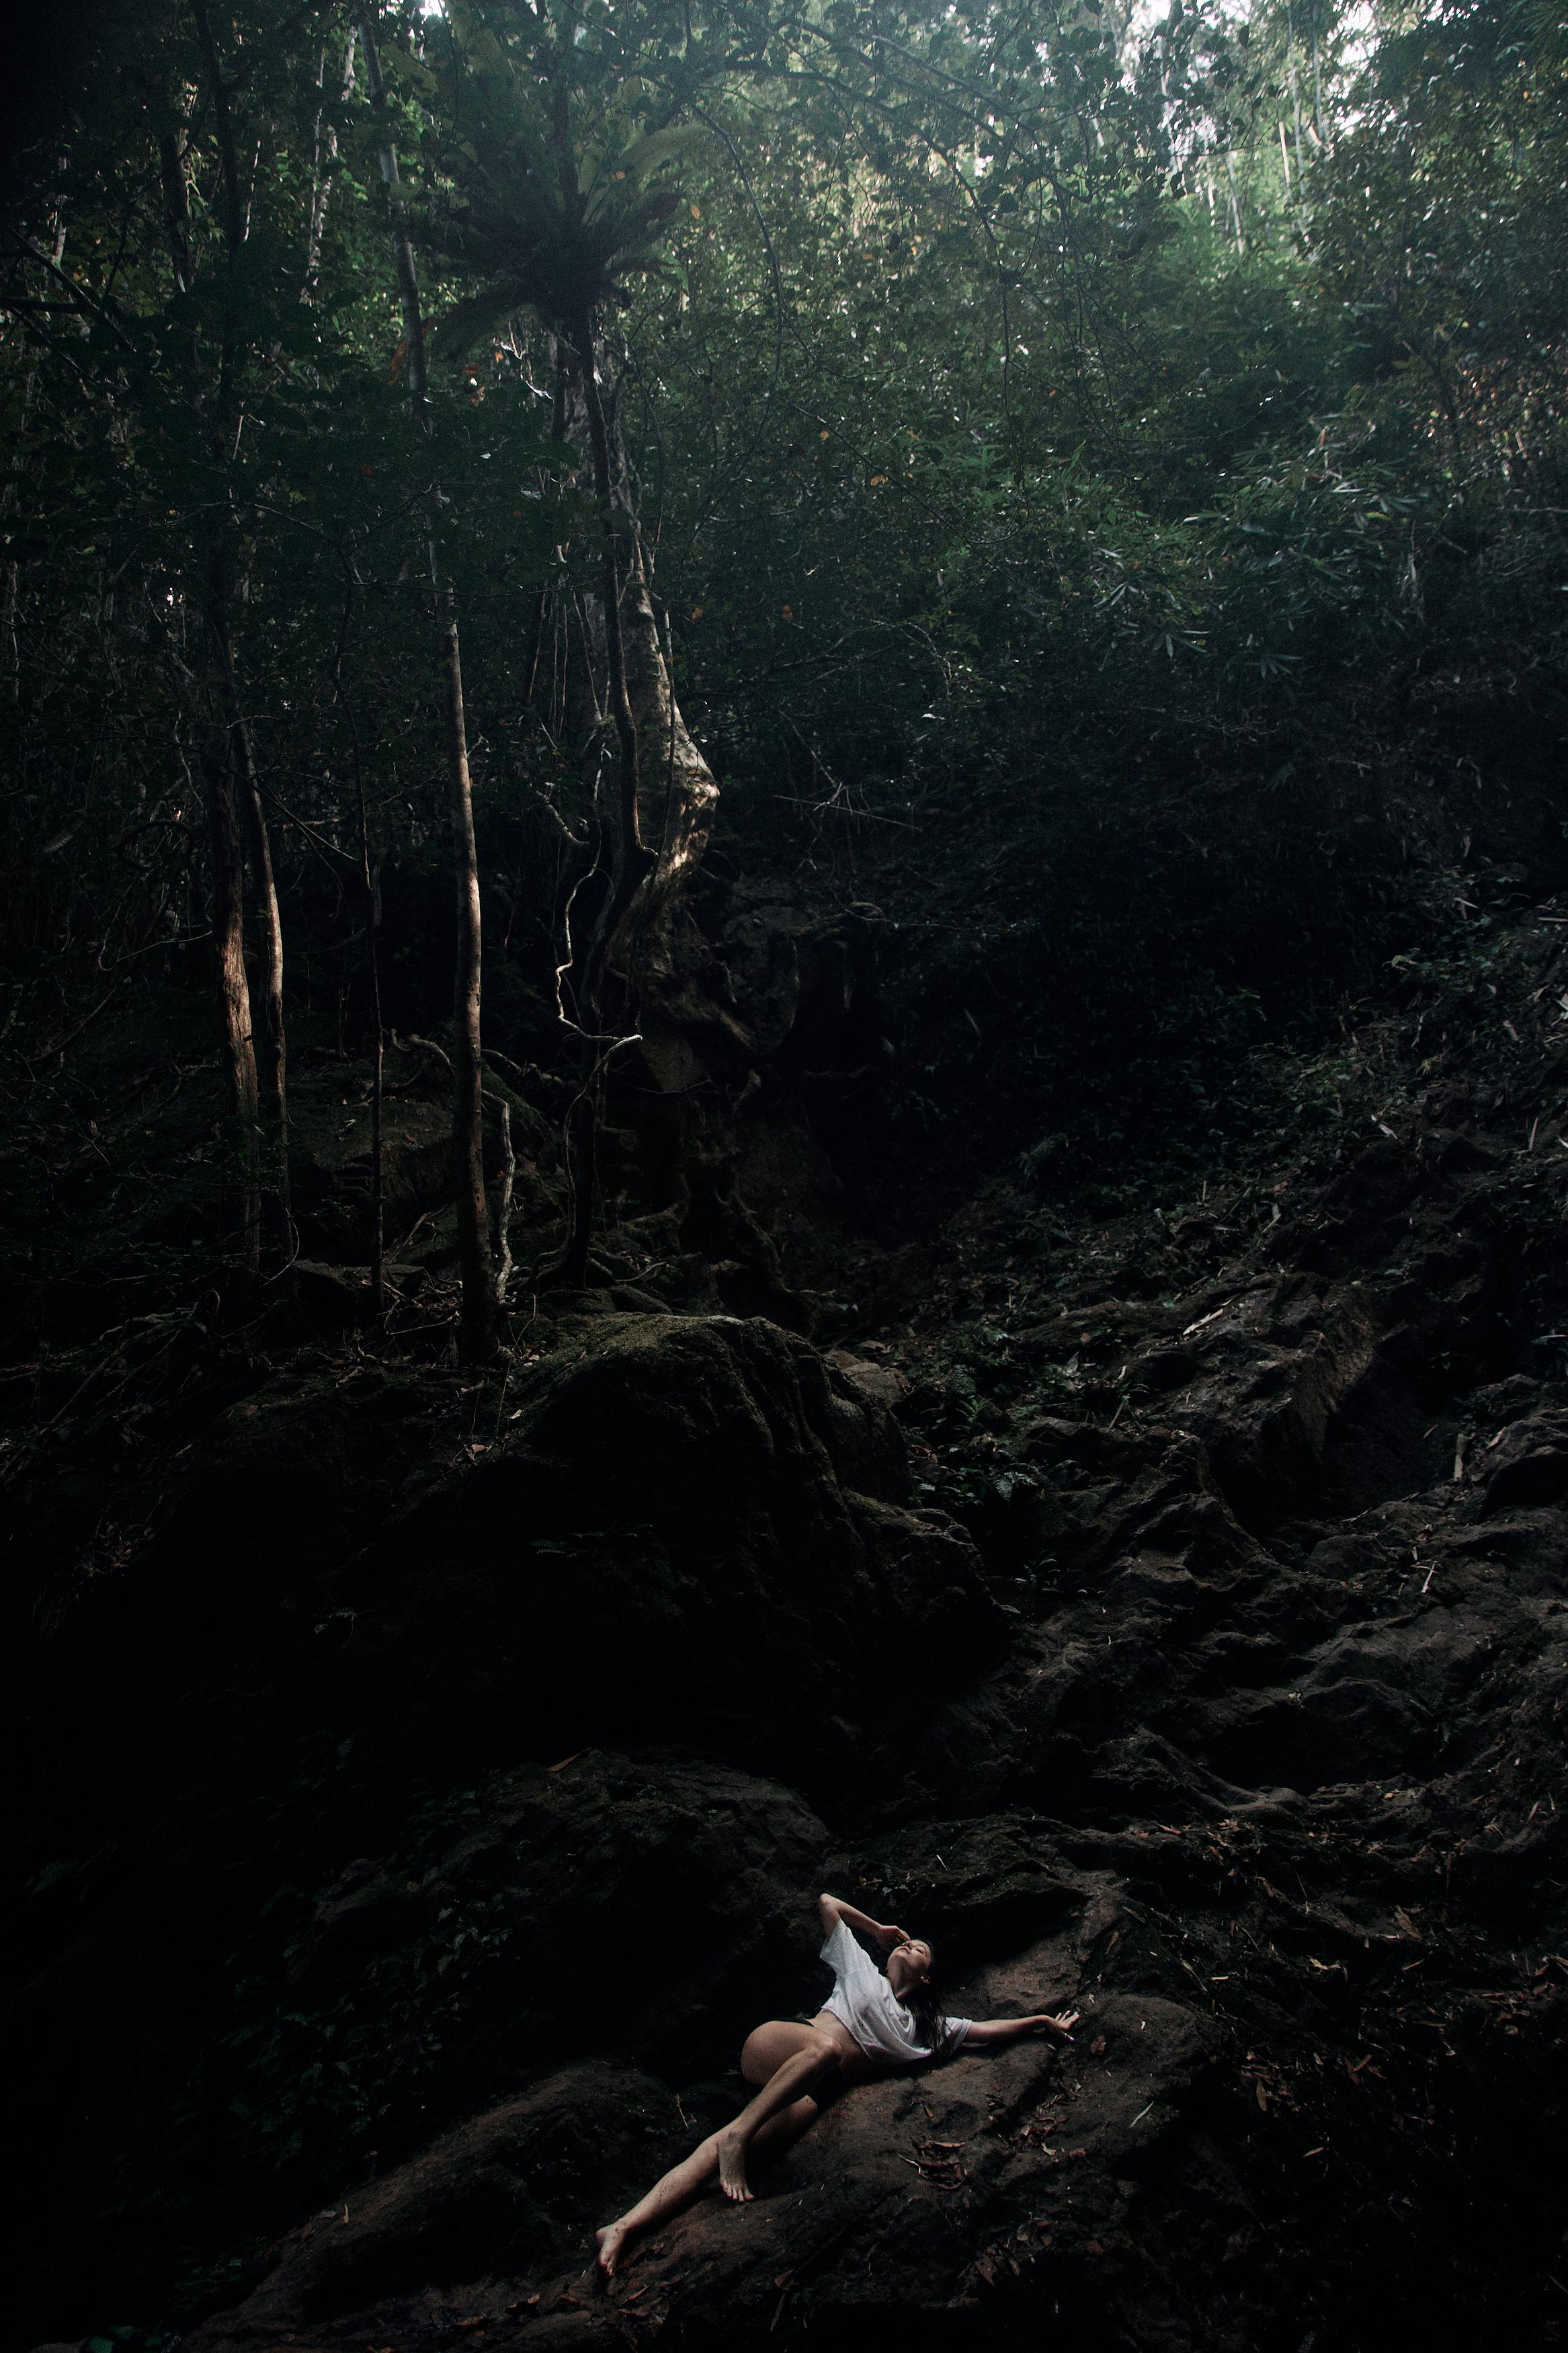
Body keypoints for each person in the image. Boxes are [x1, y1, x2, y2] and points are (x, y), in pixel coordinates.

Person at [594, 1889, 1081, 2278]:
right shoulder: (859, 1970)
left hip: (805, 2091)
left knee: (739, 2142)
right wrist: (877, 1928)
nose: (909, 1945)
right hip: (783, 2042)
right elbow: (827, 1902)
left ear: (928, 1979)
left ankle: (622, 2227)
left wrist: (1041, 2021)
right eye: (908, 1942)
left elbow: (983, 2031)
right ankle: (739, 2137)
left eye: (919, 1949)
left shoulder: (923, 2030)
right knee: (823, 2053)